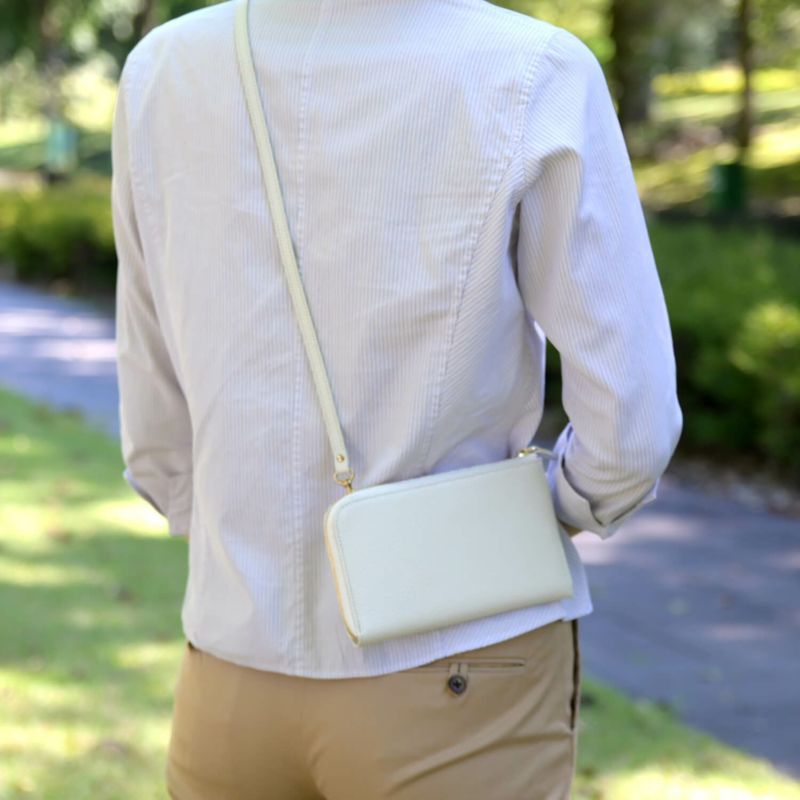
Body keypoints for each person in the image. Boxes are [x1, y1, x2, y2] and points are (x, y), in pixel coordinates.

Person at [111, 0, 683, 797]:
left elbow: (154, 422)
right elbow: (632, 430)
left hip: (230, 667)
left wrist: (241, 548)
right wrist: (541, 512)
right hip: (458, 660)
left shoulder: (163, 68)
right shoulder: (532, 70)